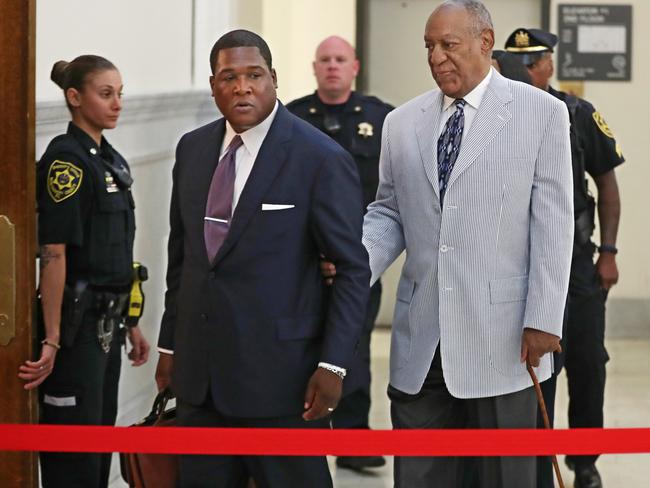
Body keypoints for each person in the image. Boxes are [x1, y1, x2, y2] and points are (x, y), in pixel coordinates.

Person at [324, 1, 574, 486]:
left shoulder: (542, 114)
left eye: (449, 44)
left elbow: (554, 223)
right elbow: (390, 212)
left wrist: (543, 319)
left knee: (503, 477)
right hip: (423, 342)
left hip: (504, 342)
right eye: (429, 47)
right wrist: (352, 262)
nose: (437, 56)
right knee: (420, 476)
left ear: (485, 42)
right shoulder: (402, 123)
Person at [154, 29, 370, 488]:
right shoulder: (191, 150)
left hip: (283, 384)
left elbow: (352, 270)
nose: (242, 87)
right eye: (228, 77)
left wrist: (334, 364)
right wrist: (171, 345)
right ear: (213, 85)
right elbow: (184, 258)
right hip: (199, 381)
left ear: (273, 78)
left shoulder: (318, 157)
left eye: (254, 75)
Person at [18, 55, 150, 488]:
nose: (117, 104)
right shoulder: (67, 163)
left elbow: (114, 253)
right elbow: (54, 254)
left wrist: (131, 321)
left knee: (97, 444)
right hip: (76, 329)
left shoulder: (107, 159)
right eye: (105, 94)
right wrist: (52, 338)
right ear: (75, 98)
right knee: (72, 455)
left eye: (120, 94)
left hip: (107, 326)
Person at [506, 27, 625, 488]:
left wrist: (609, 252)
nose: (527, 70)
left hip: (577, 263)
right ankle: (535, 460)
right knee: (535, 365)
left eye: (534, 62)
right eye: (518, 63)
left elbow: (607, 187)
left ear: (549, 64)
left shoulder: (577, 113)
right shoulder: (503, 114)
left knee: (588, 361)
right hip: (522, 263)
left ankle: (585, 460)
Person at [286, 35, 393, 471]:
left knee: (353, 350)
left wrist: (359, 254)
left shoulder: (381, 119)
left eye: (340, 60)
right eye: (325, 60)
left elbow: (389, 197)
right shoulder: (291, 118)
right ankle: (301, 438)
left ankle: (352, 438)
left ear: (355, 67)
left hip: (358, 261)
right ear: (315, 68)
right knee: (298, 348)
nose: (332, 66)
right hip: (302, 263)